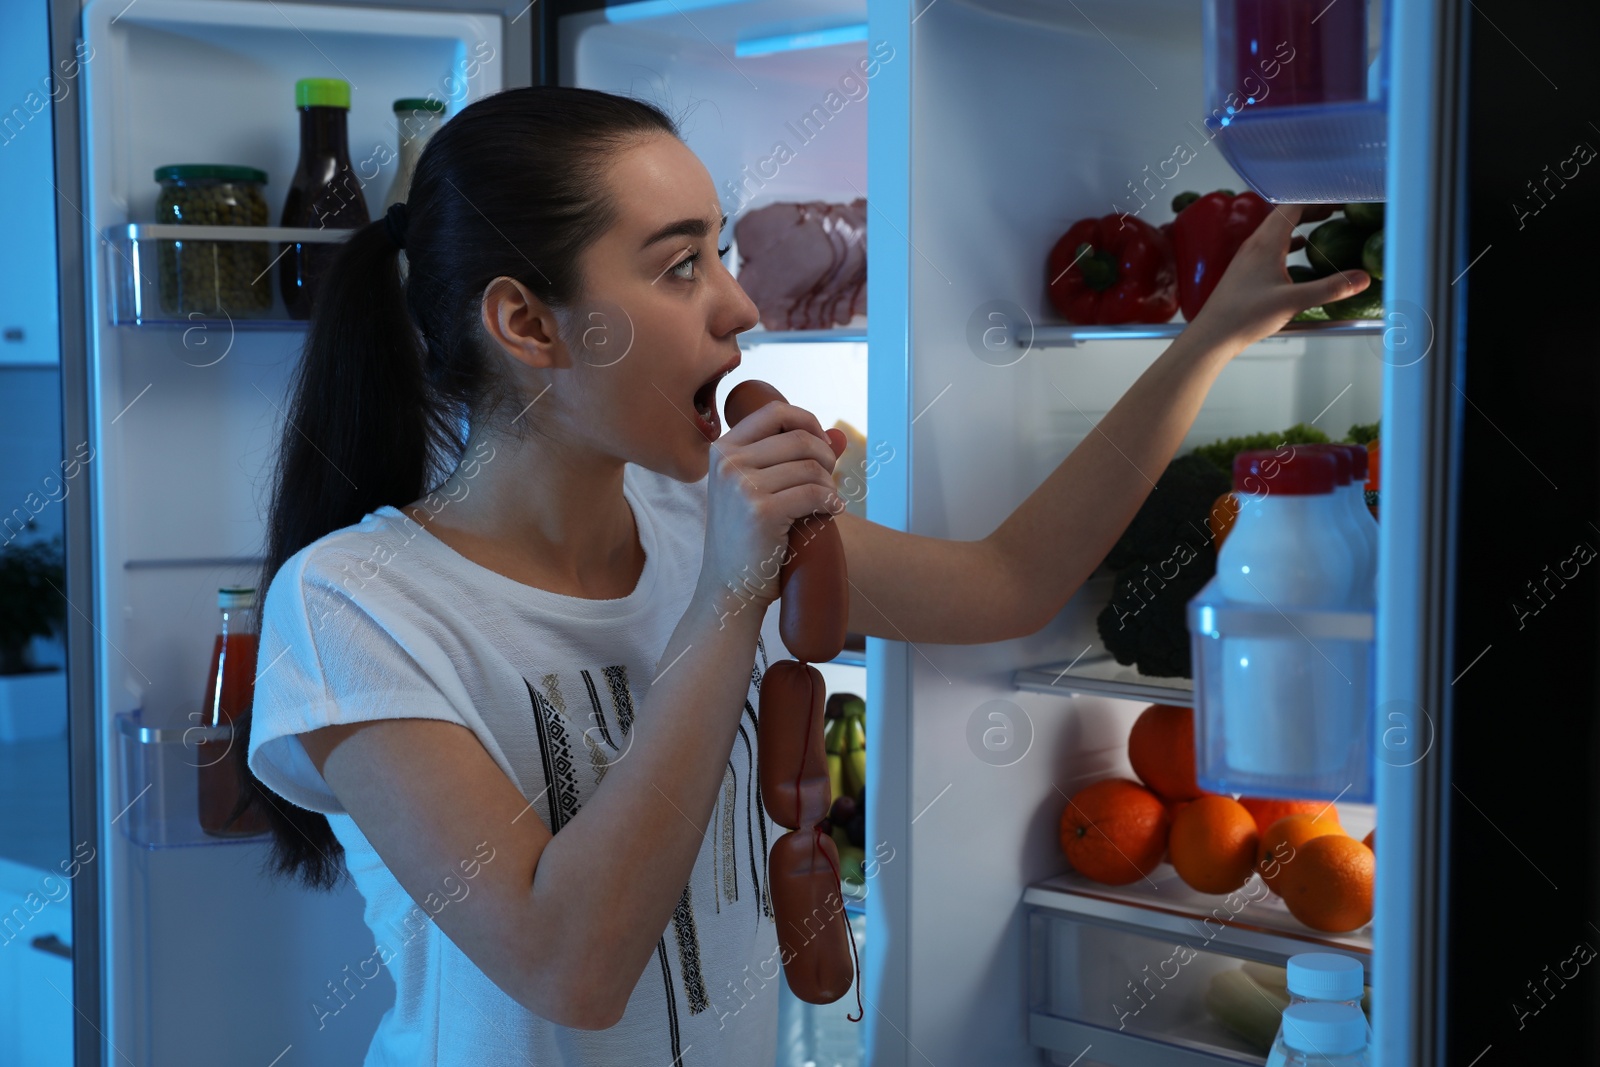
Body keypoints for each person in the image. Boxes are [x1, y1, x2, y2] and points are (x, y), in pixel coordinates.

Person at [237, 85, 1366, 1066]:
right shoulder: (353, 605)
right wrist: (730, 597)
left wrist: (1208, 335)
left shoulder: (697, 517)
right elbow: (569, 965)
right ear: (528, 324)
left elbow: (1009, 583)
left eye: (721, 250)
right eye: (681, 265)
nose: (741, 304)